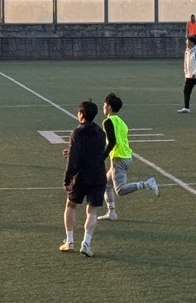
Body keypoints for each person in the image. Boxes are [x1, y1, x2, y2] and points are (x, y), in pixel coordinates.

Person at [99, 92, 159, 221]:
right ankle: (112, 213)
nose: (103, 107)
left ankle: (146, 184)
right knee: (106, 184)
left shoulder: (108, 121)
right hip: (126, 157)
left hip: (119, 159)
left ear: (109, 107)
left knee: (119, 190)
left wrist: (102, 157)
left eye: (104, 105)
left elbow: (112, 141)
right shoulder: (121, 122)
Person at [61, 99, 108, 256]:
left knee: (70, 205)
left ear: (81, 114)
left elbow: (74, 159)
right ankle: (86, 243)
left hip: (80, 176)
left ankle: (70, 241)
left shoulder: (77, 132)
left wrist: (67, 178)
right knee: (92, 211)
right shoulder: (100, 132)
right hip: (98, 175)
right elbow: (96, 153)